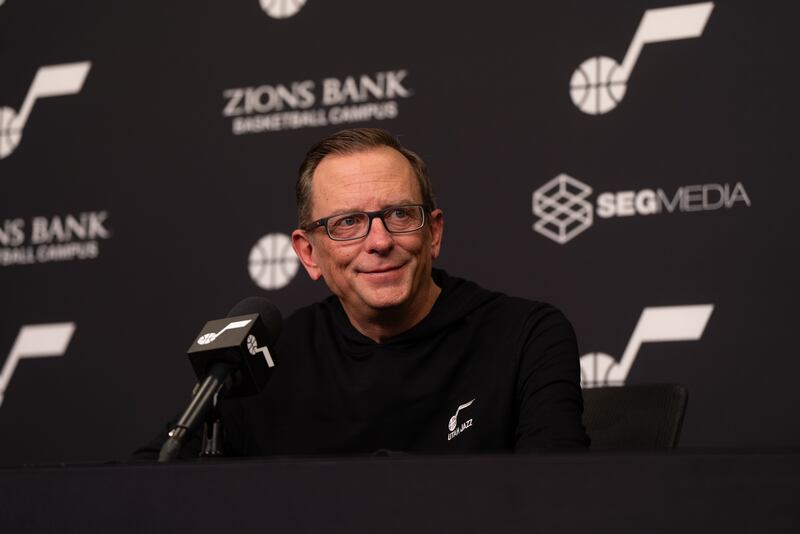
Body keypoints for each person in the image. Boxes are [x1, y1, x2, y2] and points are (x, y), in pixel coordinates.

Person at [134, 128, 588, 460]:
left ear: (433, 233)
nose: (378, 241)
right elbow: (148, 484)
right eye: (347, 223)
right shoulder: (266, 361)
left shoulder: (526, 336)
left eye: (399, 214)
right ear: (308, 253)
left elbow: (557, 499)